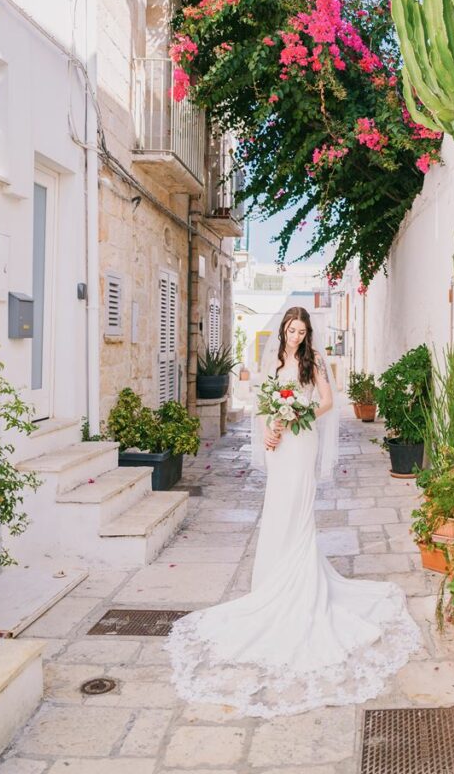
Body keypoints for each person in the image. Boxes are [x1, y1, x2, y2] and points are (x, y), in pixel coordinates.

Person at [167, 305, 421, 718]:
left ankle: (300, 585)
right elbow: (264, 402)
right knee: (276, 509)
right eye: (292, 329)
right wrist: (271, 425)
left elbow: (326, 401)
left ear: (308, 333)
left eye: (302, 331)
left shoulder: (313, 360)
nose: (296, 336)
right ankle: (270, 582)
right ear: (284, 327)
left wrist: (297, 412)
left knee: (298, 510)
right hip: (280, 443)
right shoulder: (273, 359)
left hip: (302, 442)